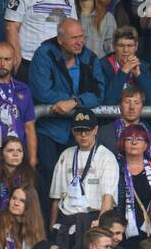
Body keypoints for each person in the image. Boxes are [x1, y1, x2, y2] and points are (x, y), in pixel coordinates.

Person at [30, 19, 107, 188]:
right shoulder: (44, 54)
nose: (80, 42)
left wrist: (74, 102)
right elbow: (42, 92)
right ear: (60, 40)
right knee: (49, 178)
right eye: (74, 38)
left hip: (78, 131)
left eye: (82, 37)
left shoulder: (89, 57)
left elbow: (99, 93)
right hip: (48, 130)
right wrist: (74, 100)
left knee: (75, 178)